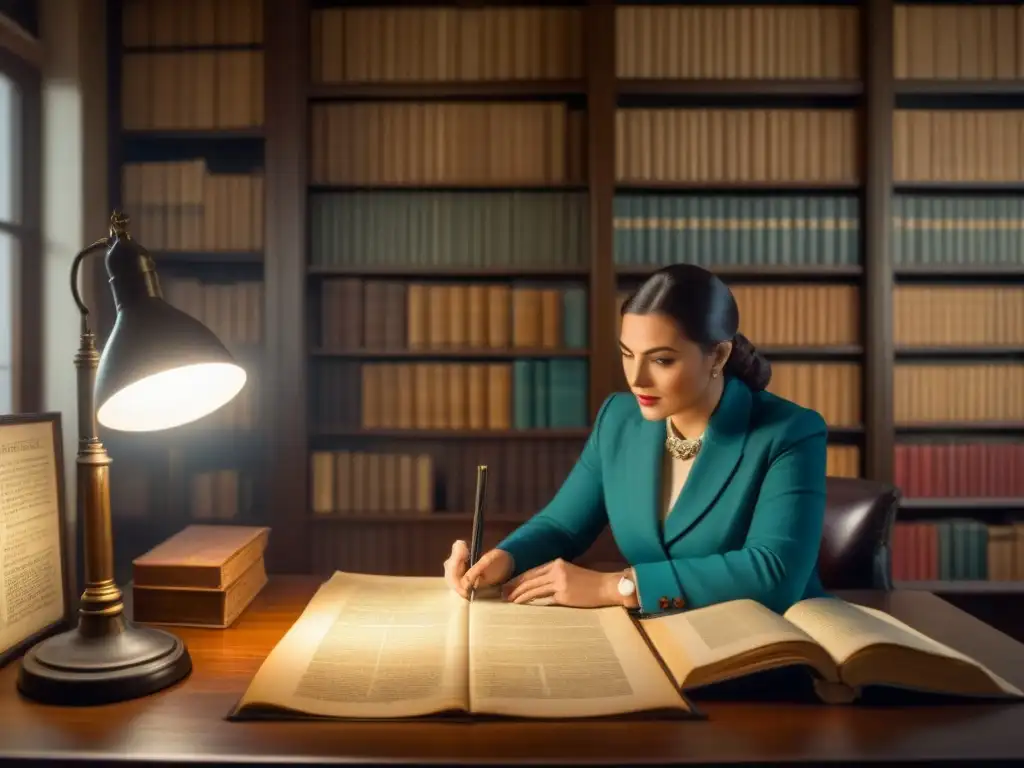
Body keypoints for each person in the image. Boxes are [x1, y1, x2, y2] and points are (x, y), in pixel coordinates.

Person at [443, 263, 830, 615]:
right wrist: (504, 559)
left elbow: (775, 574)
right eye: (628, 354)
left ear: (718, 356)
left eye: (661, 360)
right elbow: (563, 526)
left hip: (762, 654)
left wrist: (619, 586)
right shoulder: (619, 419)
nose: (637, 378)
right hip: (654, 639)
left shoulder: (790, 431)